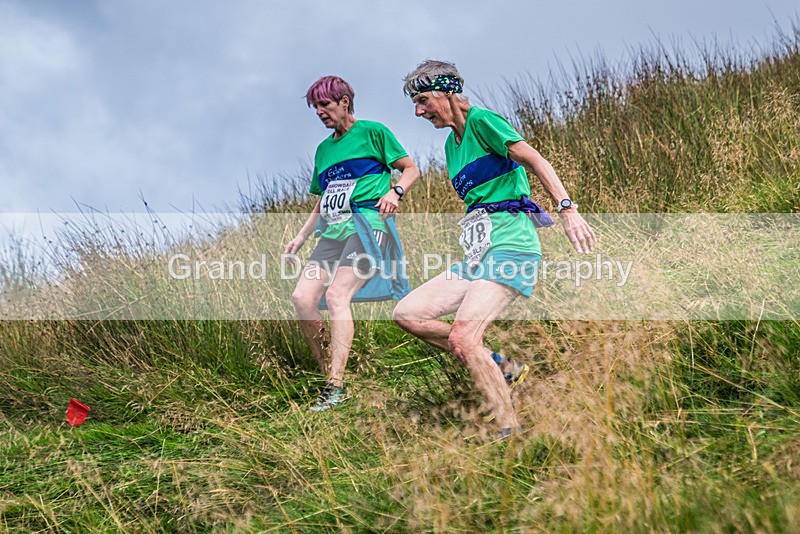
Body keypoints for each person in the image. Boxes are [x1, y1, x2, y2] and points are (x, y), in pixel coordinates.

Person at [393, 60, 596, 437]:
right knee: (408, 313)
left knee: (463, 338)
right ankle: (502, 366)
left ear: (447, 92)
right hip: (479, 253)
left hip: (512, 246)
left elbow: (535, 159)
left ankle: (510, 432)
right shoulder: (451, 145)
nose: (418, 112)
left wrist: (568, 210)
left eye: (423, 101)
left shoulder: (483, 121)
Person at [285, 75, 421, 411]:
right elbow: (323, 200)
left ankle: (336, 385)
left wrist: (395, 192)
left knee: (336, 295)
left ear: (344, 101)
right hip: (332, 233)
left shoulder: (373, 132)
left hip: (366, 226)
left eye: (325, 105)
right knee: (302, 298)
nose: (319, 112)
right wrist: (301, 237)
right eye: (315, 107)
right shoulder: (323, 150)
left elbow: (411, 169)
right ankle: (331, 373)